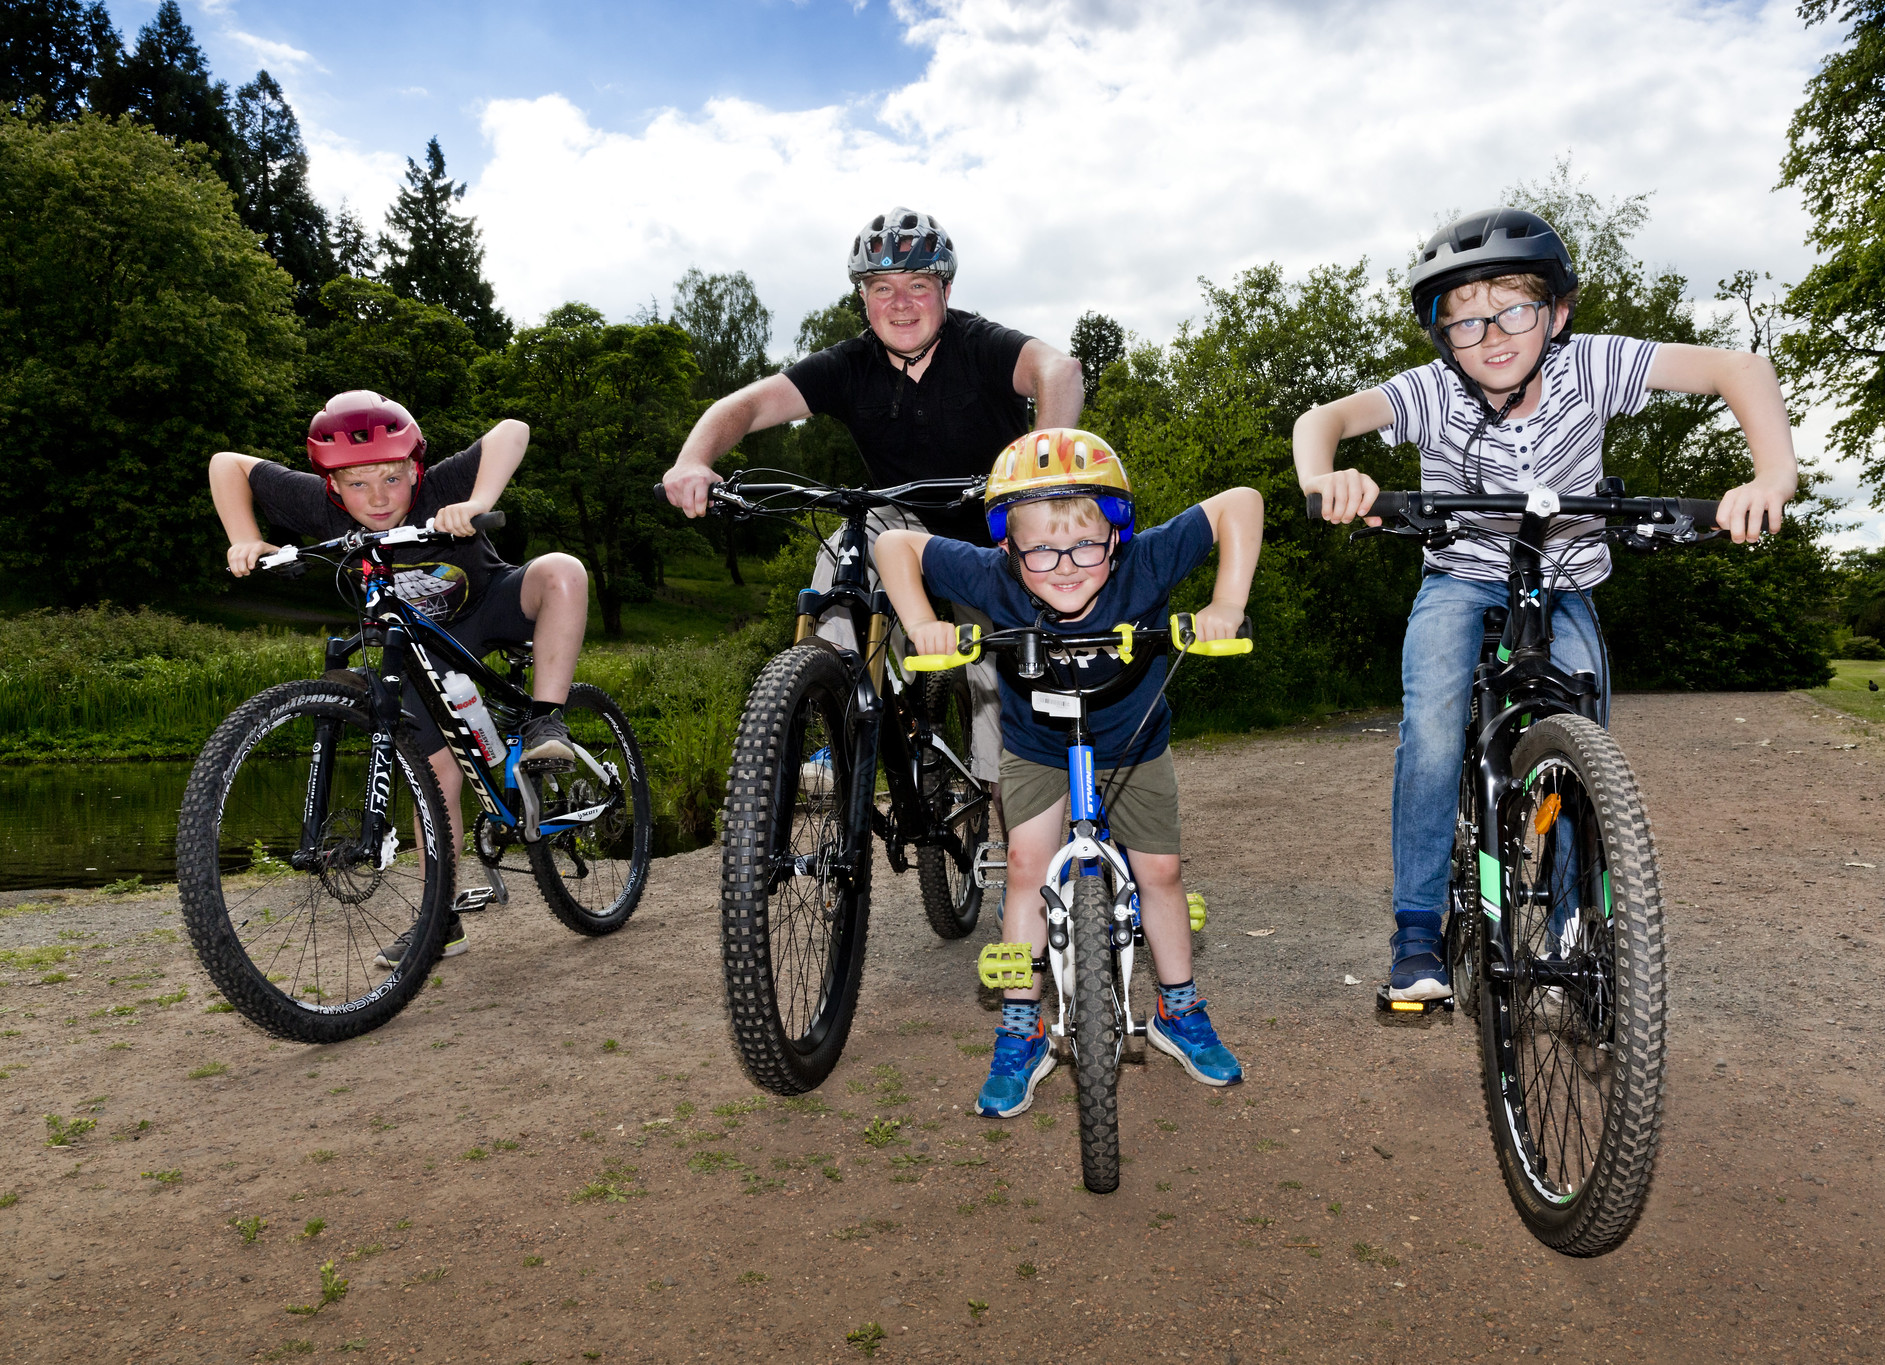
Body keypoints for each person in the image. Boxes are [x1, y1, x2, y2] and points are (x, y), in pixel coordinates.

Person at [1292, 207, 1797, 1003]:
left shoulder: (1590, 367)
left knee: (1587, 733)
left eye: (1515, 310)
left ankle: (1569, 927)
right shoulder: (1430, 393)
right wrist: (1329, 477)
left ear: (1557, 313)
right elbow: (1324, 420)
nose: (1491, 336)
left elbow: (1740, 369)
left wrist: (1771, 476)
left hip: (1562, 580)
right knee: (1429, 727)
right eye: (1463, 323)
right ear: (1441, 337)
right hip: (1459, 575)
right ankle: (1418, 930)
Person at [874, 427, 1264, 1116]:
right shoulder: (991, 577)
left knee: (1162, 874)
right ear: (1007, 547)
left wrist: (1226, 601)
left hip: (1134, 742)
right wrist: (922, 620)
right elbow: (894, 544)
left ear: (1117, 536)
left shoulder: (1144, 566)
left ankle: (1179, 1009)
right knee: (1027, 866)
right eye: (1040, 549)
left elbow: (1242, 501)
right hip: (1036, 747)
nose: (1064, 565)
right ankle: (1020, 1030)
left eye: (1085, 544)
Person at [659, 207, 1083, 800]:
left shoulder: (979, 345)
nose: (901, 303)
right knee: (843, 554)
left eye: (918, 285)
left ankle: (1005, 812)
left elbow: (1059, 370)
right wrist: (693, 459)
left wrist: (1045, 467)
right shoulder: (849, 365)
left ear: (946, 291)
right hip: (902, 521)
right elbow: (749, 405)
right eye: (883, 288)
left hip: (993, 526)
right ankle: (836, 716)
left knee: (996, 665)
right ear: (864, 298)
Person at [209, 391, 592, 964]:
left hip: (490, 606)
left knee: (564, 570)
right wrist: (243, 535)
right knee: (434, 778)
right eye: (357, 484)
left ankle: (544, 721)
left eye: (393, 478)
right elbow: (227, 464)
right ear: (332, 486)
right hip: (411, 646)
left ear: (415, 467)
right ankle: (442, 916)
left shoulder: (437, 487)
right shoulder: (320, 503)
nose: (379, 497)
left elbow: (513, 428)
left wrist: (477, 502)